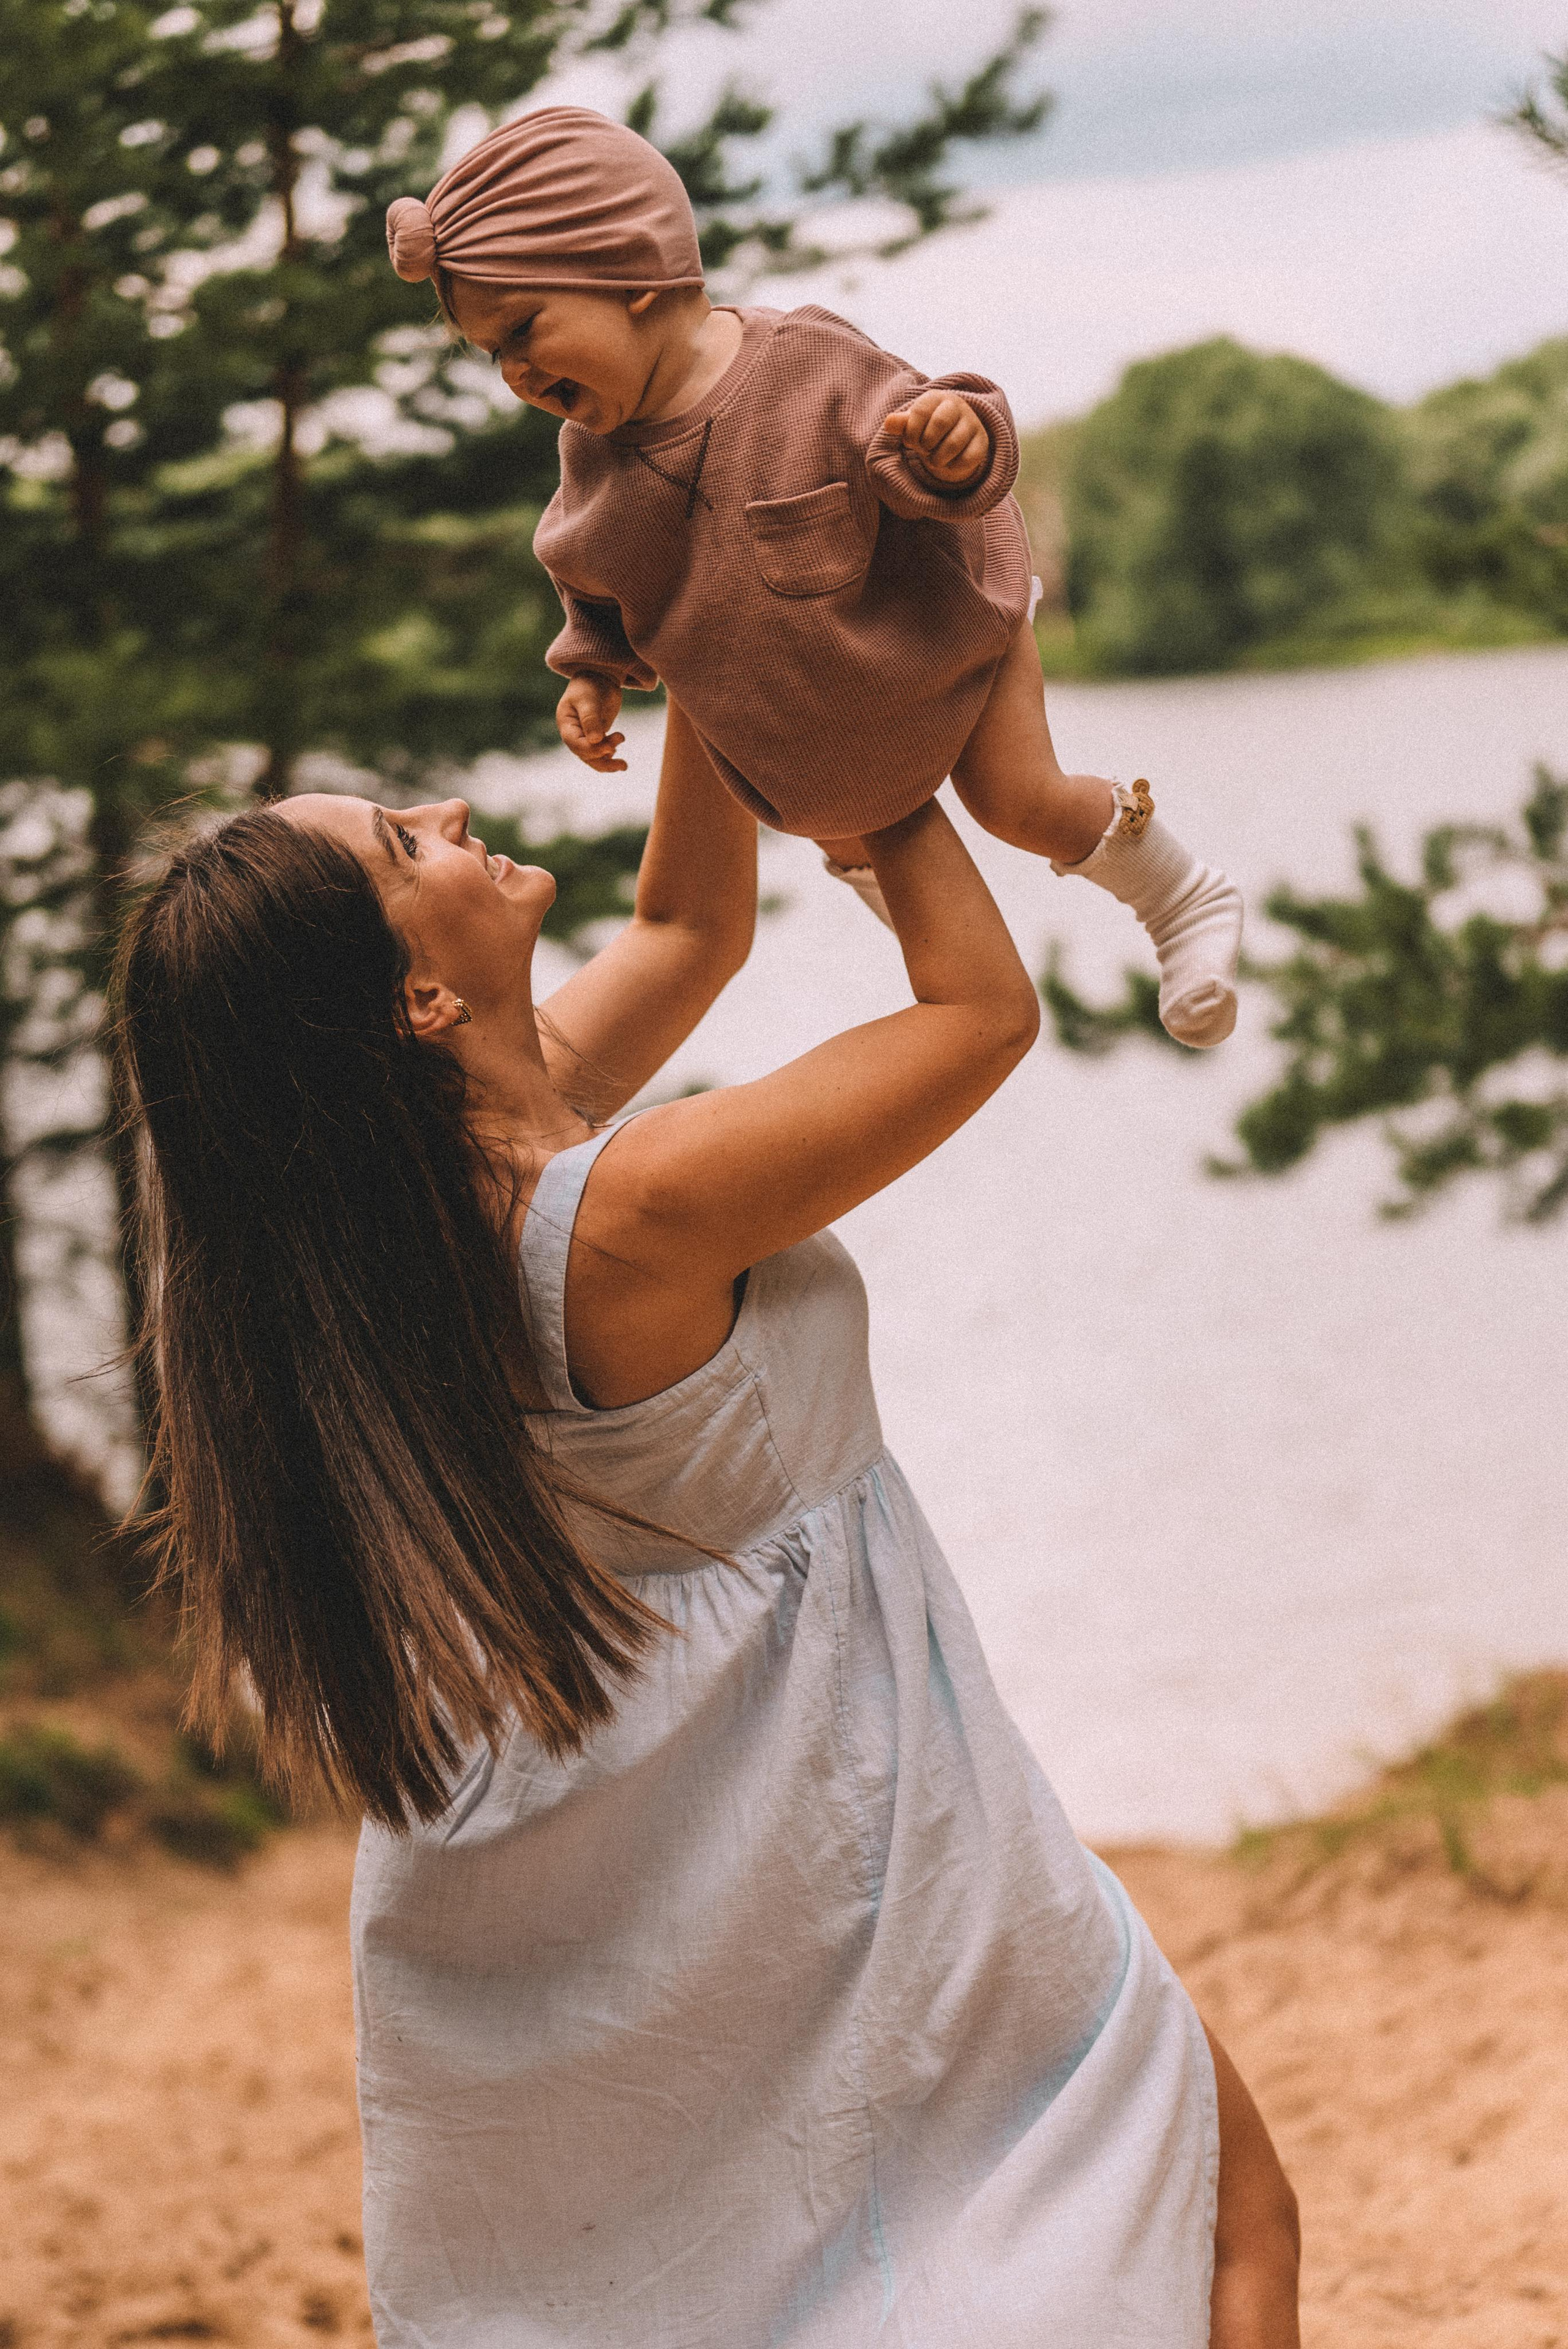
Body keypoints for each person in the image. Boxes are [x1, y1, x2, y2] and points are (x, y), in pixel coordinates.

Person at [114, 706, 1298, 2345]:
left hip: (709, 1843)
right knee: (1217, 2214)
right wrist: (881, 769)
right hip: (839, 1812)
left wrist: (707, 631)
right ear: (419, 998)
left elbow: (691, 926)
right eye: (404, 843)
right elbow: (979, 1012)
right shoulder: (630, 1217)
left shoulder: (421, 1220)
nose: (450, 807)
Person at [384, 107, 1245, 1051]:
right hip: (820, 716)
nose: (512, 369)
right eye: (491, 353)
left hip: (934, 620)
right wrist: (591, 673)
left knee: (1014, 798)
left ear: (627, 267)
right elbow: (588, 572)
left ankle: (1183, 898)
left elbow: (937, 428)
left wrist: (952, 445)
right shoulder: (590, 455)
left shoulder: (801, 363)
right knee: (838, 808)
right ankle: (950, 948)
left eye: (522, 330)